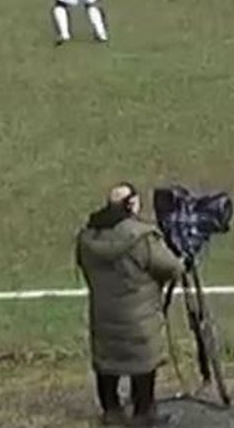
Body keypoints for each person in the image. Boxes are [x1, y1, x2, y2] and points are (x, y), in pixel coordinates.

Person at [76, 183, 184, 427]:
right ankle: (143, 412)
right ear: (132, 203)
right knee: (143, 360)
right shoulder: (141, 237)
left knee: (106, 360)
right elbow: (171, 267)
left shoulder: (88, 237)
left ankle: (111, 410)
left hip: (103, 313)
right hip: (139, 315)